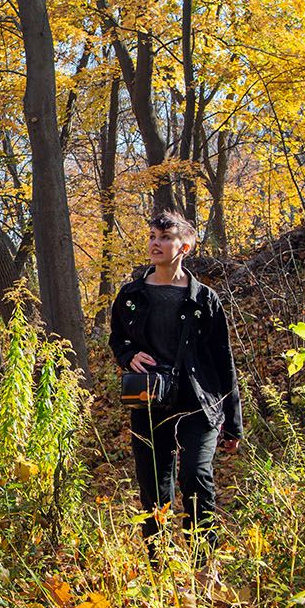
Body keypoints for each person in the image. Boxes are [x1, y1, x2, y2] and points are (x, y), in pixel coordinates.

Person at [108, 209, 242, 567]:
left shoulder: (205, 299)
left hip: (199, 404)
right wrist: (128, 355)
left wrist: (233, 423)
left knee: (196, 476)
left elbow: (223, 358)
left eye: (165, 237)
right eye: (153, 236)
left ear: (186, 245)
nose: (156, 243)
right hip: (148, 401)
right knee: (154, 488)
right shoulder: (131, 295)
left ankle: (203, 562)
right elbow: (117, 339)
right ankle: (160, 566)